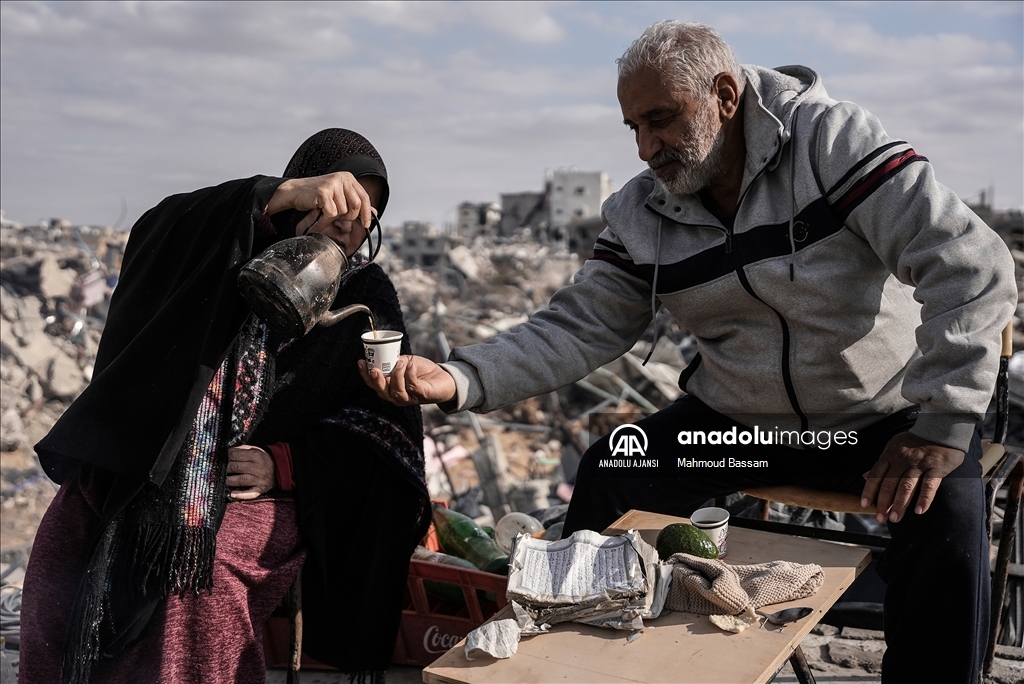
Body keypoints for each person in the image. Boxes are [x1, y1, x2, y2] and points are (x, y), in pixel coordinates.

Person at [362, 21, 1017, 684]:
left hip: (881, 424)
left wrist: (943, 422)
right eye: (633, 128)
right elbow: (578, 326)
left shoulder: (832, 145)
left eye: (661, 120)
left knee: (950, 517)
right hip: (739, 430)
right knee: (612, 474)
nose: (647, 147)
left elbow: (971, 266)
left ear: (725, 97)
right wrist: (459, 376)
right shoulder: (644, 212)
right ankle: (584, 665)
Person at [20, 128, 429, 684]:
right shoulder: (230, 250)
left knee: (203, 576)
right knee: (64, 535)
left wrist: (286, 464)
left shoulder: (366, 296)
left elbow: (384, 427)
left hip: (267, 489)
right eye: (340, 201)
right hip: (168, 460)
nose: (349, 223)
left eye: (367, 213)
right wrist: (274, 195)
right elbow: (155, 232)